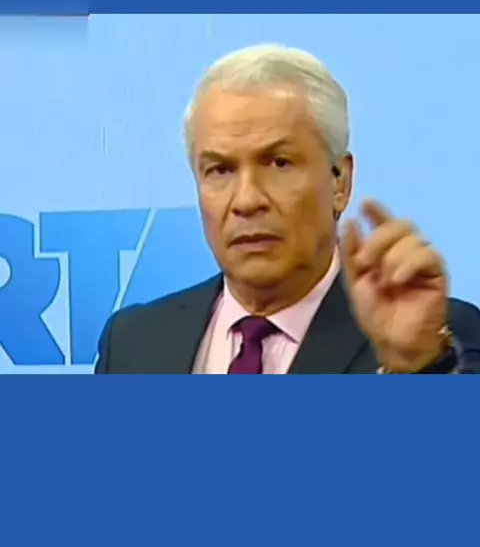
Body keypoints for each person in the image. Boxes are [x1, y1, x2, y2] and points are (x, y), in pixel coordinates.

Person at [95, 44, 480, 374]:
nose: (247, 200)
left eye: (279, 163)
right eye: (220, 170)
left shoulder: (432, 337)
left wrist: (418, 366)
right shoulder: (132, 343)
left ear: (339, 182)